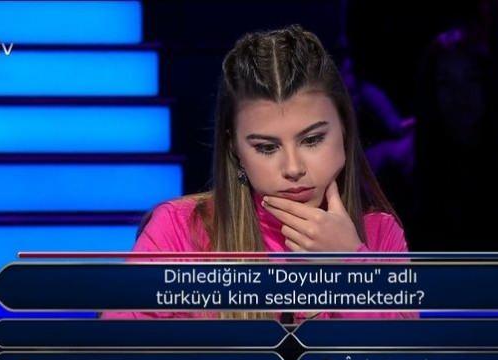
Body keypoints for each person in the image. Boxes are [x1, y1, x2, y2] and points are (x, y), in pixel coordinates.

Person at [101, 25, 414, 322]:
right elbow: (112, 353)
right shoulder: (179, 230)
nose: (293, 168)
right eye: (267, 147)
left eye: (312, 140)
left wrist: (349, 266)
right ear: (235, 148)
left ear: (344, 129)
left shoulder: (379, 234)